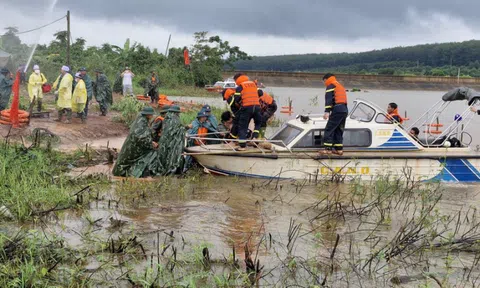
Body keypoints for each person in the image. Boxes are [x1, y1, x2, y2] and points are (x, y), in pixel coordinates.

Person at [113, 106, 158, 178]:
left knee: (126, 160)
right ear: (148, 115)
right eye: (151, 114)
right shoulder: (142, 122)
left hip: (132, 145)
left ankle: (122, 173)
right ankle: (132, 174)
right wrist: (151, 144)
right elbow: (140, 137)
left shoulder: (140, 120)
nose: (152, 116)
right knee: (149, 154)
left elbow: (142, 135)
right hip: (134, 147)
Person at [320, 73, 348, 156]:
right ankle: (339, 149)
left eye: (324, 81)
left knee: (329, 128)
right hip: (344, 110)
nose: (325, 83)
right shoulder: (339, 85)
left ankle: (328, 149)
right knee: (338, 129)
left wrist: (326, 112)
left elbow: (328, 100)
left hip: (337, 110)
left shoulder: (330, 86)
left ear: (326, 79)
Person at [233, 73, 262, 151]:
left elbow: (236, 98)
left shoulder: (240, 87)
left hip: (247, 107)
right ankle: (255, 137)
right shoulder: (253, 84)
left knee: (243, 126)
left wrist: (241, 101)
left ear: (237, 80)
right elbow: (261, 93)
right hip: (257, 107)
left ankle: (242, 146)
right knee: (258, 123)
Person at [156, 105, 186, 175]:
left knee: (165, 156)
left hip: (164, 142)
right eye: (178, 113)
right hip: (172, 143)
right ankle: (171, 171)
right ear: (176, 113)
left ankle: (164, 170)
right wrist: (187, 127)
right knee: (172, 157)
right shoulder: (174, 120)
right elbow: (177, 131)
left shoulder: (166, 119)